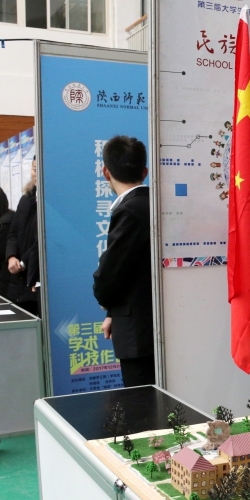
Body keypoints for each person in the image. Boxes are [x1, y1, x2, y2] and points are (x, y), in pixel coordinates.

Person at [92, 136, 154, 387]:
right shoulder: (155, 203)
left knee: (142, 403)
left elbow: (111, 274)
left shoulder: (129, 210)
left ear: (105, 172)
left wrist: (105, 299)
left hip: (138, 333)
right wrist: (112, 313)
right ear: (145, 172)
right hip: (159, 326)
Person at [7, 161, 40, 316]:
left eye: (39, 169)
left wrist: (23, 262)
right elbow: (13, 231)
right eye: (34, 169)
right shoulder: (26, 199)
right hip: (18, 277)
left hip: (35, 274)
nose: (36, 173)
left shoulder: (51, 202)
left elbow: (42, 241)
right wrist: (11, 256)